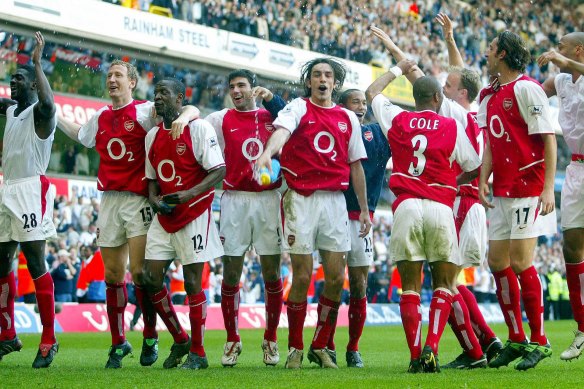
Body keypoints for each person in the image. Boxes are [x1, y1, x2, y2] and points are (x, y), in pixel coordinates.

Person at [370, 21, 501, 369]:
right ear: (440, 98)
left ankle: (441, 352)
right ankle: (474, 343)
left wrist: (397, 60)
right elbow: (474, 162)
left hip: (419, 203)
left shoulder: (405, 118)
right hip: (450, 201)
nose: (444, 85)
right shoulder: (459, 119)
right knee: (448, 282)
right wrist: (453, 179)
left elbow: (396, 86)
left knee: (415, 286)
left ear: (457, 95)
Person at [57, 60, 199, 368]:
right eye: (109, 75)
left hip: (138, 201)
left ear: (131, 83)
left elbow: (189, 110)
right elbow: (81, 134)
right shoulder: (101, 117)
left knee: (139, 274)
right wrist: (56, 116)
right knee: (112, 275)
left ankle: (150, 335)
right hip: (109, 200)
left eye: (118, 75)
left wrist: (186, 115)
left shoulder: (145, 111)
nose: (111, 79)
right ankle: (119, 343)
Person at [256, 57, 371, 369]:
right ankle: (295, 346)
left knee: (336, 278)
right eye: (317, 74)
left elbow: (356, 165)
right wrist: (268, 151)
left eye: (328, 75)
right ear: (309, 82)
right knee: (303, 275)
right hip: (301, 199)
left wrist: (362, 209)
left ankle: (320, 344)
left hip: (335, 201)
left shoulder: (348, 117)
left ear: (335, 83)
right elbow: (281, 132)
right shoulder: (297, 107)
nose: (323, 79)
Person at [478, 30, 557, 371]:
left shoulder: (527, 89)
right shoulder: (489, 96)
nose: (487, 52)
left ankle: (540, 340)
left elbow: (548, 139)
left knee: (522, 262)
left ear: (504, 54)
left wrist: (548, 188)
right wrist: (483, 178)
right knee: (497, 261)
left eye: (492, 48)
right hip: (502, 189)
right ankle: (516, 336)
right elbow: (491, 144)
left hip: (528, 184)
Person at [205, 69, 286, 367]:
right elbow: (195, 128)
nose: (236, 91)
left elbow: (296, 119)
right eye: (232, 86)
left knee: (272, 275)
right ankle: (232, 339)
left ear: (254, 88)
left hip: (268, 199)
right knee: (230, 273)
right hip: (234, 199)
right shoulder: (219, 118)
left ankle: (271, 338)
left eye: (242, 85)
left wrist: (273, 99)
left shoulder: (273, 117)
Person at [143, 78, 225, 370]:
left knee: (192, 282)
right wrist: (154, 200)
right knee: (149, 278)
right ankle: (180, 338)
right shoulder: (152, 135)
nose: (158, 97)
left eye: (164, 93)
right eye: (156, 93)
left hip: (194, 213)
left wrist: (189, 193)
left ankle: (199, 352)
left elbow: (219, 170)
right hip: (164, 216)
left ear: (181, 99)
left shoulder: (199, 128)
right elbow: (151, 180)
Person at [0, 32, 59, 368]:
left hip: (30, 190)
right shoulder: (10, 110)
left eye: (19, 78)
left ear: (35, 85)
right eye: (11, 78)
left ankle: (49, 338)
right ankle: (7, 334)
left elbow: (50, 103)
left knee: (35, 262)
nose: (13, 82)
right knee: (1, 262)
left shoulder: (42, 112)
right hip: (7, 189)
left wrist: (37, 63)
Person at [324, 88, 390, 368]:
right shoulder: (334, 131)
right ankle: (326, 345)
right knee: (333, 283)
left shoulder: (377, 134)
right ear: (342, 107)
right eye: (356, 102)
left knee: (360, 284)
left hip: (363, 218)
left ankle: (353, 348)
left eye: (364, 103)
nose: (362, 107)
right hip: (334, 213)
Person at [538, 31, 584, 361]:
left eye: (563, 46)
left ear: (578, 49)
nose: (558, 50)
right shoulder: (562, 80)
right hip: (577, 169)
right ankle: (582, 329)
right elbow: (537, 93)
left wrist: (563, 60)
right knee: (571, 244)